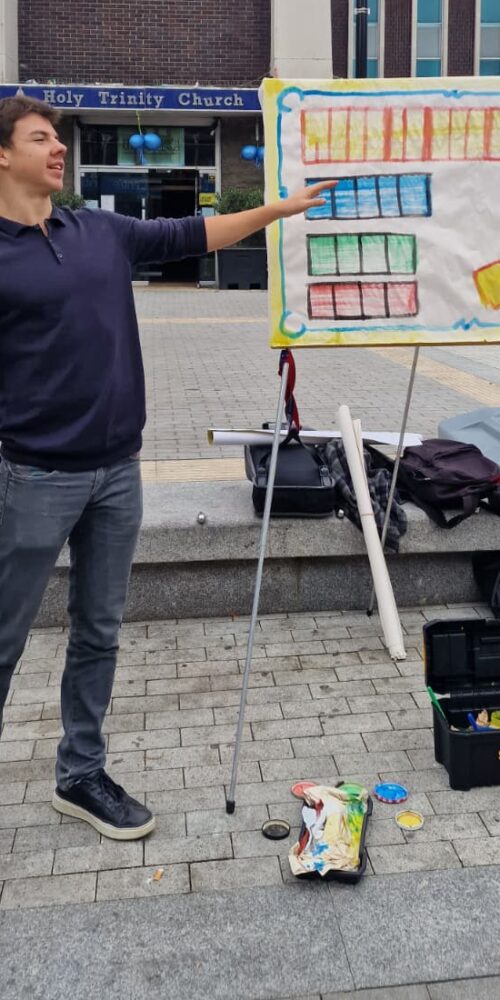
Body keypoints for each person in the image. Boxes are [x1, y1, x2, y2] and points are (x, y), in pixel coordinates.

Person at [0, 95, 332, 840]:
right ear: (3, 154)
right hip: (33, 481)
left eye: (58, 139)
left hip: (119, 473)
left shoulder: (99, 232)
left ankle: (80, 773)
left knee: (101, 631)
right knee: (4, 640)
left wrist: (279, 209)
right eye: (40, 139)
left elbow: (197, 230)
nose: (57, 150)